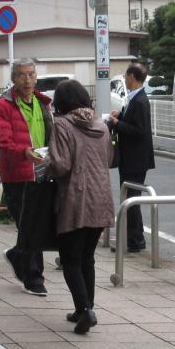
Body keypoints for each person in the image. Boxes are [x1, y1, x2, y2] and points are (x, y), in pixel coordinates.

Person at [47, 80, 114, 334]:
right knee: (88, 257)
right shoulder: (101, 125)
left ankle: (85, 310)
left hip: (76, 198)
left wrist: (46, 160)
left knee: (70, 258)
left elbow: (61, 165)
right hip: (101, 198)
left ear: (62, 102)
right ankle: (85, 309)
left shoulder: (62, 125)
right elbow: (108, 159)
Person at [0, 58, 53, 297]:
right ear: (13, 79)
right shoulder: (3, 106)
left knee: (37, 225)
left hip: (41, 172)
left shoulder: (42, 102)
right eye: (22, 75)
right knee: (28, 226)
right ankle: (33, 277)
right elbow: (4, 142)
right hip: (16, 175)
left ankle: (17, 256)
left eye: (31, 74)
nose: (27, 80)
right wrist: (23, 152)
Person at [109, 62, 155, 252]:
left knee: (131, 200)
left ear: (131, 77)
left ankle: (135, 241)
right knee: (130, 199)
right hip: (132, 158)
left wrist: (117, 123)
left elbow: (139, 130)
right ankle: (133, 239)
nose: (125, 80)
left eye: (126, 76)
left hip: (135, 160)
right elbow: (134, 122)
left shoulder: (141, 101)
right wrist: (120, 115)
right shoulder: (135, 98)